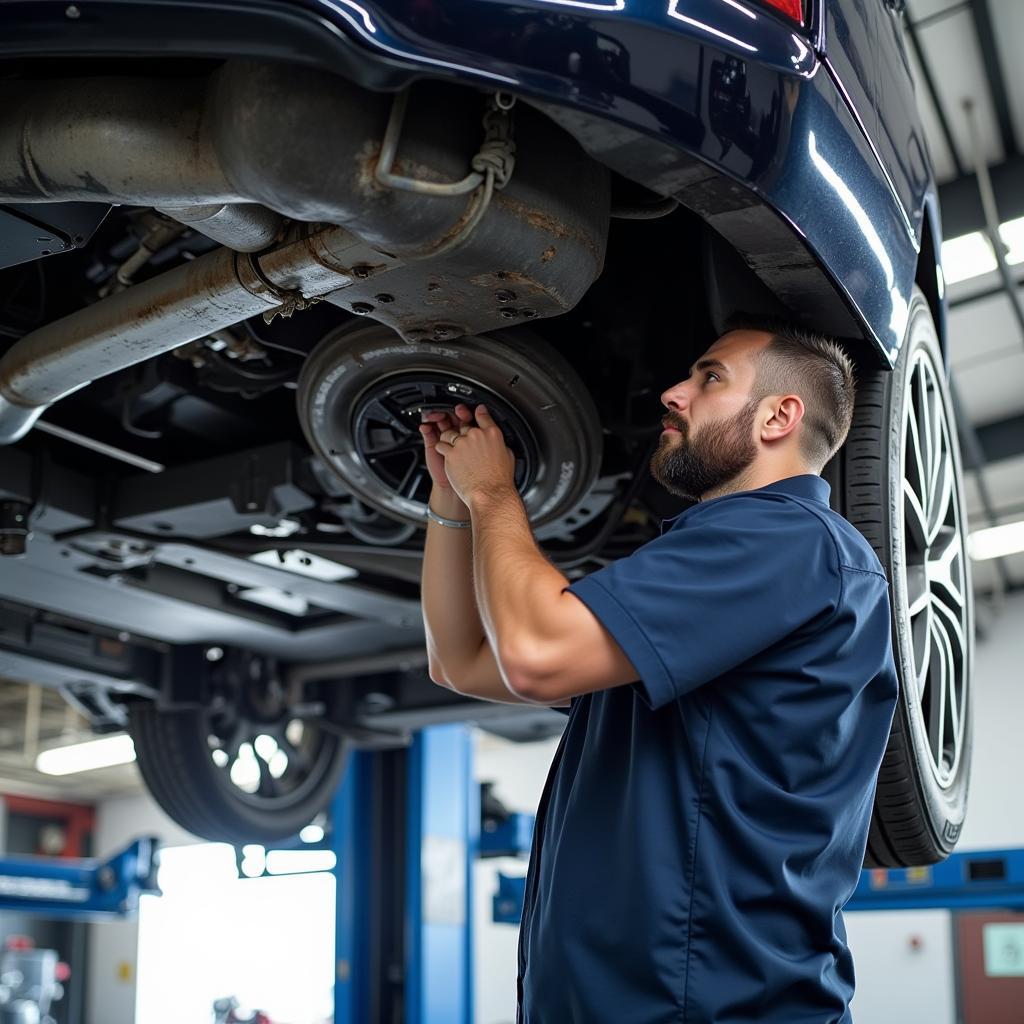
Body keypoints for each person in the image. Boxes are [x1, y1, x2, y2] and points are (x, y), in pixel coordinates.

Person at [418, 317, 899, 1024]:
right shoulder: (719, 571)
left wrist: (494, 495)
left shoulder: (791, 541)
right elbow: (462, 661)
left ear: (779, 416)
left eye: (710, 378)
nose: (673, 393)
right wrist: (451, 501)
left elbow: (533, 655)